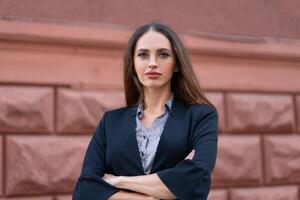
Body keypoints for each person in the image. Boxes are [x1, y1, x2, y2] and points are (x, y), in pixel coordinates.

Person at [72, 22, 218, 200]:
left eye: (163, 55)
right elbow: (85, 189)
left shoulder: (201, 117)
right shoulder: (110, 122)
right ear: (132, 64)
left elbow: (197, 181)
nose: (152, 64)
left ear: (177, 64)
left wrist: (118, 181)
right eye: (143, 55)